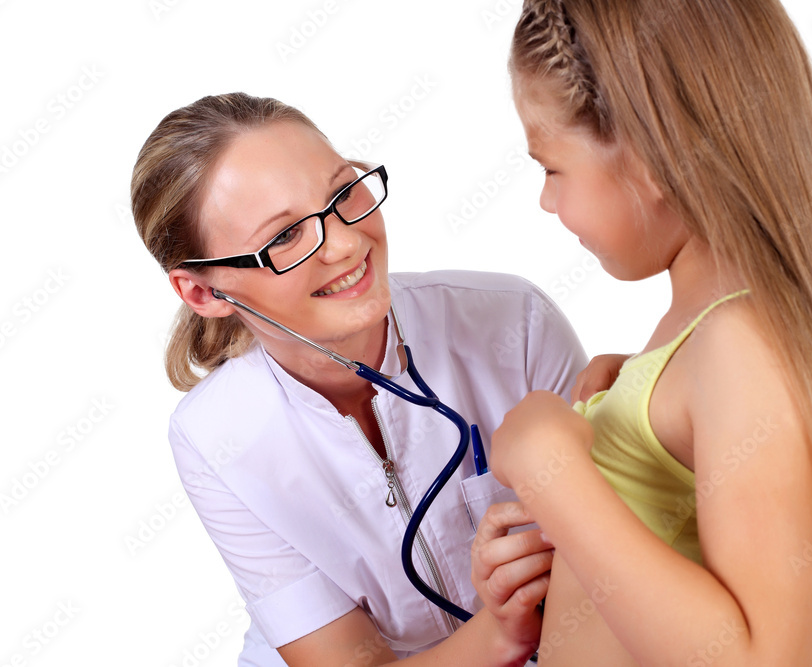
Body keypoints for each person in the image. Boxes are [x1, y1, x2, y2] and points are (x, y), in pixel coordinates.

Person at [489, 1, 812, 666]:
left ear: (652, 161)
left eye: (551, 168)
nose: (547, 200)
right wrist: (638, 395)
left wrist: (555, 474)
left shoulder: (740, 347)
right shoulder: (715, 337)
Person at [130, 92, 610, 666]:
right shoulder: (213, 437)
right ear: (204, 292)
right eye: (283, 237)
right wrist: (503, 632)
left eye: (342, 195)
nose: (347, 242)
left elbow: (612, 565)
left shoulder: (516, 323)